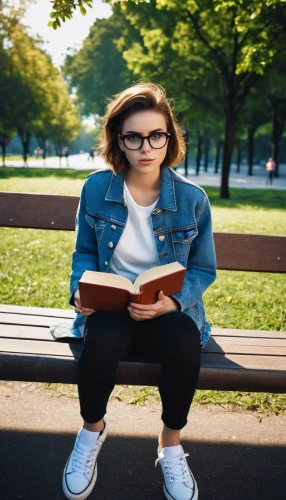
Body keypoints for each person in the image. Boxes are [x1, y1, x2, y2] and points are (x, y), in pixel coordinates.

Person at [62, 82, 216, 500]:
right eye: (134, 136)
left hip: (166, 309)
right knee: (102, 339)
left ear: (170, 138)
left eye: (156, 135)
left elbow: (203, 268)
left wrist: (172, 302)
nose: (146, 147)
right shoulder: (97, 188)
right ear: (119, 140)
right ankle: (91, 433)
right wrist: (82, 290)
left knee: (185, 339)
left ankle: (170, 445)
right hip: (112, 307)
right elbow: (84, 253)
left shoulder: (192, 199)